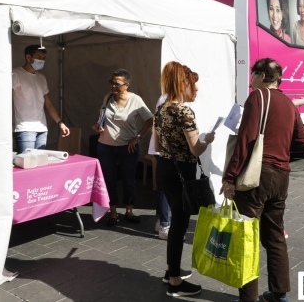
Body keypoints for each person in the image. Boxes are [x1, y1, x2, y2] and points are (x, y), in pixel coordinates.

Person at [221, 58, 304, 302]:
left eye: (253, 75)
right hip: (281, 177)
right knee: (275, 236)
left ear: (261, 76)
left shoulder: (257, 98)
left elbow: (246, 140)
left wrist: (229, 178)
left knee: (247, 237)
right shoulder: (289, 104)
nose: (251, 80)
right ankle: (279, 294)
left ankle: (248, 298)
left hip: (256, 177)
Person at [154, 62, 215, 297]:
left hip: (165, 169)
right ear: (183, 84)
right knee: (179, 227)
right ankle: (175, 283)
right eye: (193, 84)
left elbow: (157, 145)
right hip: (182, 174)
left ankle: (171, 269)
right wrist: (207, 139)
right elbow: (196, 150)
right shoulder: (184, 112)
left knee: (177, 222)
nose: (196, 89)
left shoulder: (160, 109)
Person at [92, 69, 153, 227]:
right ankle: (113, 211)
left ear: (126, 85)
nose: (112, 85)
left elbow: (150, 120)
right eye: (111, 82)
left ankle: (129, 210)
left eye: (116, 84)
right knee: (109, 180)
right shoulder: (108, 97)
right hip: (105, 146)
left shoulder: (136, 100)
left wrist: (138, 137)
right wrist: (98, 126)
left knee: (128, 180)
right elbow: (102, 117)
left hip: (127, 147)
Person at [12, 45, 70, 153]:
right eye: (38, 57)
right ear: (28, 57)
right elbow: (6, 99)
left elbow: (48, 104)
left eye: (43, 58)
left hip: (42, 129)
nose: (42, 60)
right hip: (25, 128)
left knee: (39, 164)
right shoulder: (15, 74)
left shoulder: (41, 78)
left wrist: (60, 123)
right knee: (27, 164)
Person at [148, 94, 171, 240]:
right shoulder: (167, 98)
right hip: (164, 149)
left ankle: (160, 221)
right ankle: (164, 224)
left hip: (161, 148)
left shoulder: (164, 97)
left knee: (164, 187)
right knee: (166, 187)